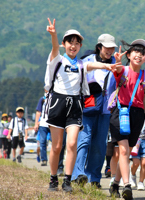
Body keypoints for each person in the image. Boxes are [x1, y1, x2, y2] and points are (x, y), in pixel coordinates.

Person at [44, 18, 120, 192]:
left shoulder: (81, 64)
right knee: (57, 146)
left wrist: (108, 67)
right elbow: (55, 48)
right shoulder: (57, 59)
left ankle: (68, 180)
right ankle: (53, 178)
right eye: (70, 42)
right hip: (58, 102)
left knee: (72, 144)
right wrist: (54, 35)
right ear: (64, 44)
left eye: (77, 43)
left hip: (75, 106)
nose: (74, 46)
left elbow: (93, 65)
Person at [109, 39, 145, 200]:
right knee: (123, 150)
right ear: (128, 55)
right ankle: (127, 185)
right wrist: (116, 62)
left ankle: (115, 183)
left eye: (142, 53)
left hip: (138, 115)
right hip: (120, 112)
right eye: (135, 51)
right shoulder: (122, 70)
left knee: (128, 152)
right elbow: (116, 70)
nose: (139, 55)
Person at [72, 33, 117, 188]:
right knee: (84, 141)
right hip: (87, 108)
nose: (109, 51)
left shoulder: (116, 63)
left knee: (99, 146)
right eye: (107, 47)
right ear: (99, 47)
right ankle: (78, 174)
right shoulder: (87, 61)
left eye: (112, 48)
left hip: (105, 111)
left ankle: (94, 179)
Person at [34, 91, 51, 166]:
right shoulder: (42, 99)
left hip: (53, 124)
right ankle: (44, 159)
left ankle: (55, 160)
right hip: (43, 124)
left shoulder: (56, 97)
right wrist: (36, 124)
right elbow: (38, 112)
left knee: (55, 143)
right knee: (42, 142)